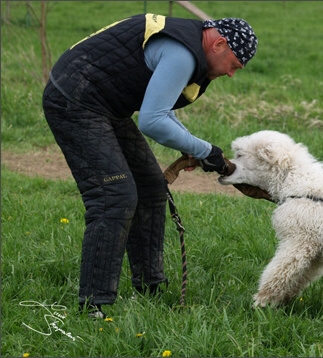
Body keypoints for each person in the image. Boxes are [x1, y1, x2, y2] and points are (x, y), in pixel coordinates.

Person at [42, 13, 258, 319]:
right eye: (234, 65)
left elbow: (161, 108)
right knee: (115, 196)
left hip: (106, 106)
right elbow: (152, 122)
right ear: (219, 44)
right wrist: (204, 149)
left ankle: (150, 287)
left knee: (151, 187)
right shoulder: (182, 54)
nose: (232, 74)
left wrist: (193, 146)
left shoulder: (190, 47)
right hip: (74, 101)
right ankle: (94, 306)